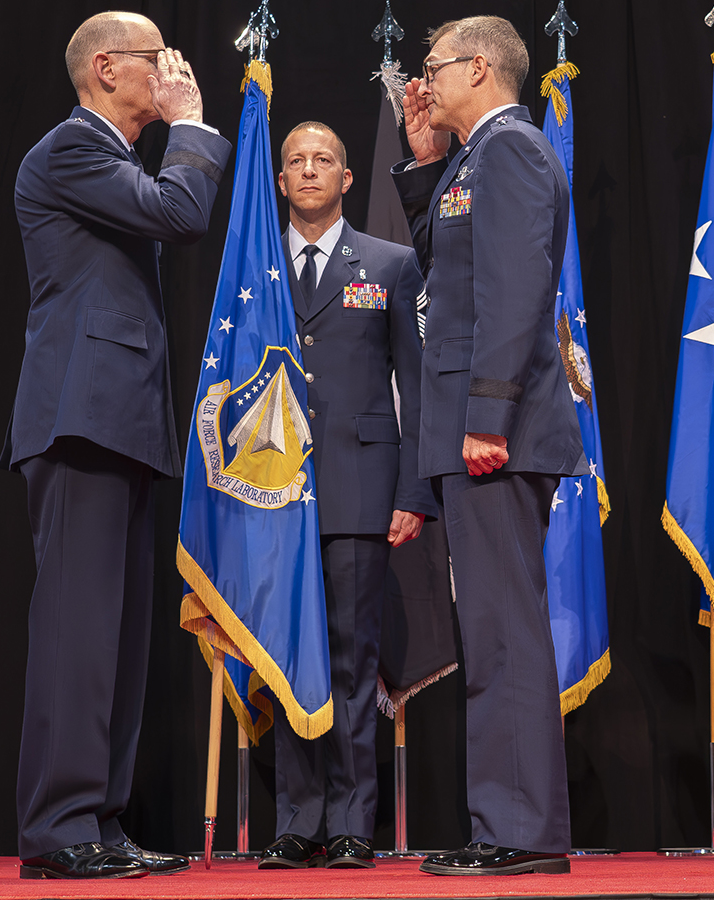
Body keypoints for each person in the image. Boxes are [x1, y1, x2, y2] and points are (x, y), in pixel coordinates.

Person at [0, 11, 231, 880]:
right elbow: (180, 210)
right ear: (105, 67)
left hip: (124, 418)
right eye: (154, 58)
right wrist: (196, 124)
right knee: (78, 628)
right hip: (78, 415)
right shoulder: (72, 151)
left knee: (123, 636)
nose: (170, 68)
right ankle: (58, 827)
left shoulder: (111, 158)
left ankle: (100, 817)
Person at [391, 15, 583, 877]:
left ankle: (520, 832)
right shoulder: (475, 156)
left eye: (432, 70)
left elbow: (512, 293)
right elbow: (446, 267)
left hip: (494, 429)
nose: (422, 84)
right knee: (493, 629)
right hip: (478, 425)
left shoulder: (512, 150)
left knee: (503, 631)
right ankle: (504, 822)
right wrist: (426, 157)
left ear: (478, 66)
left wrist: (487, 415)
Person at [256, 123, 437, 871]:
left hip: (361, 490)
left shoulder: (392, 263)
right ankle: (298, 820)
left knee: (349, 662)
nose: (307, 170)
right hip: (270, 490)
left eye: (322, 160)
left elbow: (417, 383)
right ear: (280, 179)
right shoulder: (255, 268)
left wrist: (415, 490)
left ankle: (353, 820)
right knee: (285, 660)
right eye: (294, 160)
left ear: (346, 178)